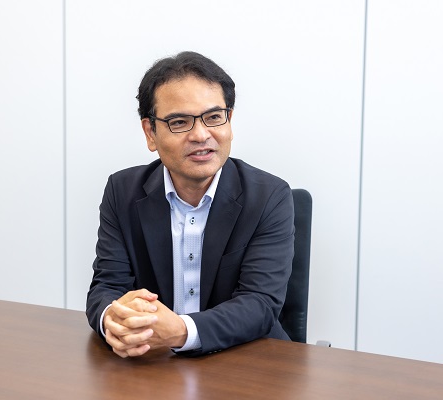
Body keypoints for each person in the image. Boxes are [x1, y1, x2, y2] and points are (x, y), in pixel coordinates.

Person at [86, 51, 294, 357]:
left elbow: (260, 304)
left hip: (246, 362)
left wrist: (181, 331)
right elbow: (106, 287)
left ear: (229, 121)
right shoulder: (122, 191)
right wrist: (113, 321)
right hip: (153, 362)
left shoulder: (269, 196)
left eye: (214, 117)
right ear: (150, 133)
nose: (200, 134)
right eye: (179, 122)